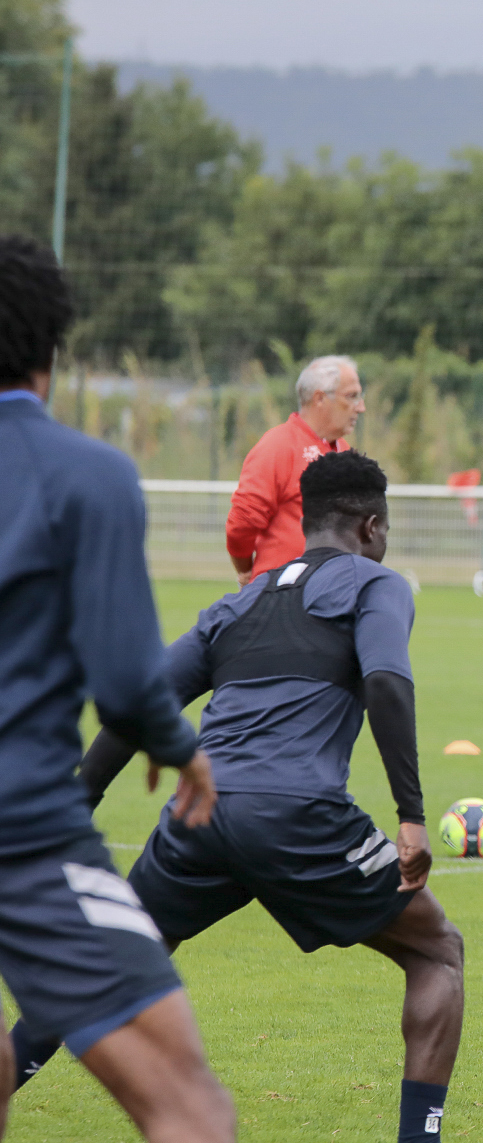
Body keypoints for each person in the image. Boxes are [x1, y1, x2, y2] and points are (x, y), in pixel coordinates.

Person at [10, 451, 464, 1143]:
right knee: (437, 952)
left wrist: (80, 801)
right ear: (371, 528)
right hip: (297, 815)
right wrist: (411, 816)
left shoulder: (239, 602)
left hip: (198, 818)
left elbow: (139, 701)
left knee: (101, 971)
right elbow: (386, 682)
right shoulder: (378, 584)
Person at [0, 234, 235, 1142]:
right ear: (52, 348)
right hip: (24, 833)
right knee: (191, 1108)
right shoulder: (86, 476)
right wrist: (183, 751)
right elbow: (130, 686)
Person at [225, 354, 364, 587]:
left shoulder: (345, 451)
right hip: (284, 595)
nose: (361, 407)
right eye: (352, 396)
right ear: (320, 398)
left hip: (333, 593)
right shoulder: (279, 446)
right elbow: (243, 522)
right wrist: (245, 569)